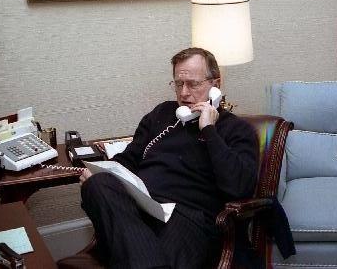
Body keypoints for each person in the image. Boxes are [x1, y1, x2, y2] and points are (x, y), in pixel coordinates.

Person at [79, 47, 258, 268]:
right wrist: (100, 171)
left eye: (193, 84)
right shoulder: (161, 114)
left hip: (187, 219)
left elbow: (240, 186)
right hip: (139, 209)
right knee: (97, 184)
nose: (183, 93)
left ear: (216, 85)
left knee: (136, 248)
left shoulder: (236, 130)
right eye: (178, 84)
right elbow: (129, 158)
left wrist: (209, 130)